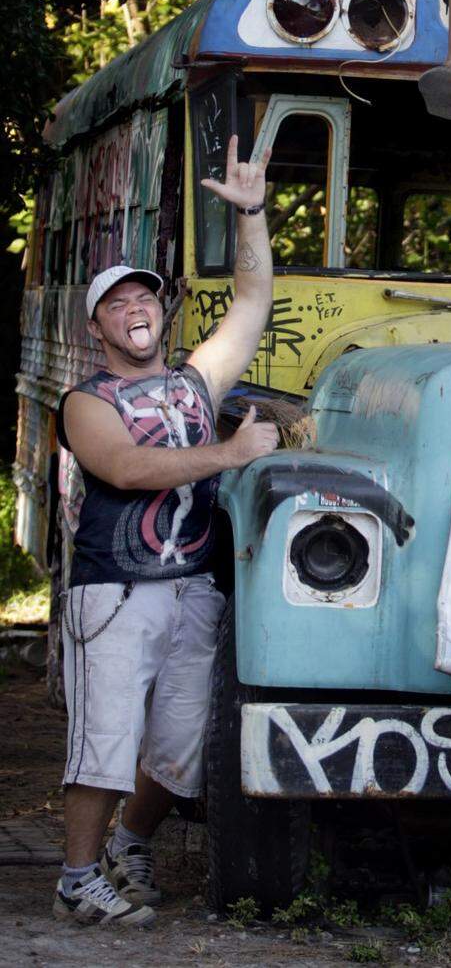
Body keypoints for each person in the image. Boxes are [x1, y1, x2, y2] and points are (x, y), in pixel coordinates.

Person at [52, 137, 278, 928]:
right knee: (106, 741)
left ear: (160, 310)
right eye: (118, 304)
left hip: (193, 588)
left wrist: (250, 215)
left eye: (145, 299)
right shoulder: (87, 399)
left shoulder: (192, 381)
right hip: (116, 591)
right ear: (98, 326)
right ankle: (78, 875)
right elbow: (125, 468)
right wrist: (229, 450)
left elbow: (252, 304)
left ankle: (130, 843)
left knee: (177, 753)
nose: (136, 310)